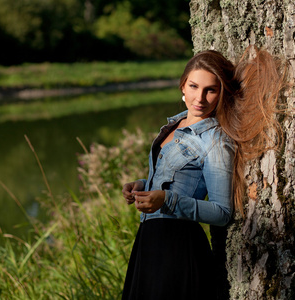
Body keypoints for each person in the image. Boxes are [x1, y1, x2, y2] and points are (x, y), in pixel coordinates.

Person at [121, 46, 284, 300]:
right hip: (148, 243)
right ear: (183, 86)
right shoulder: (173, 125)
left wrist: (165, 200)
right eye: (194, 86)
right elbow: (176, 178)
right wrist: (142, 185)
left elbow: (222, 212)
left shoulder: (216, 141)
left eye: (211, 90)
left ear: (221, 94)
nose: (200, 98)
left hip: (178, 247)